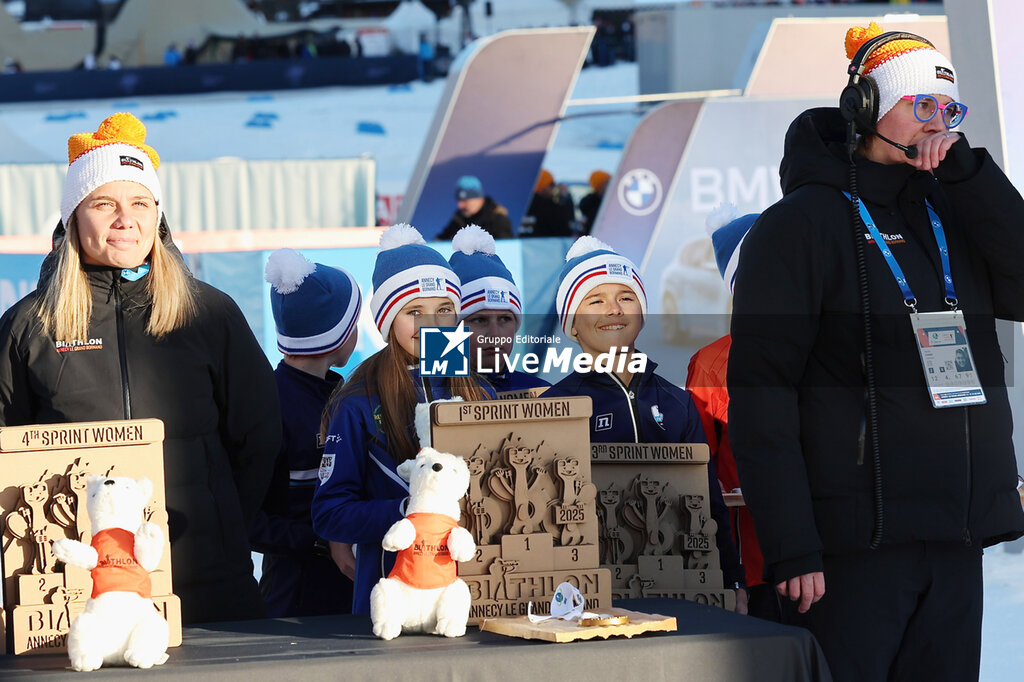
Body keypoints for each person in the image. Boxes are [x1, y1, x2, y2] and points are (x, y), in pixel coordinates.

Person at [728, 24, 1024, 681]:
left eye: (949, 110)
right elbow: (761, 397)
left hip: (953, 542)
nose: (939, 122)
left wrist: (972, 176)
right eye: (922, 105)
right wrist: (792, 546)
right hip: (846, 555)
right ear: (865, 106)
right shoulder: (798, 226)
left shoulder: (955, 212)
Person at [0, 112, 280, 624]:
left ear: (158, 216)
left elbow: (258, 436)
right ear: (72, 218)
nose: (125, 219)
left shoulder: (208, 313)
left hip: (210, 582)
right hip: (79, 594)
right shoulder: (29, 326)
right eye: (104, 203)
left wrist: (217, 528)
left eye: (140, 203)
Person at [544, 237, 747, 613]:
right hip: (595, 589)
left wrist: (732, 579)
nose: (613, 310)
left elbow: (709, 500)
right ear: (572, 325)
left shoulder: (677, 402)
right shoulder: (556, 406)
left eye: (626, 297)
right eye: (595, 300)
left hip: (681, 581)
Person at [311, 224, 495, 614]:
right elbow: (329, 515)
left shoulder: (482, 392)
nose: (433, 324)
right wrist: (407, 510)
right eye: (415, 312)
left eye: (445, 309)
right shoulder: (359, 402)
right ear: (388, 321)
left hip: (477, 595)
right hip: (395, 600)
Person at [249, 248, 362, 617]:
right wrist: (320, 540)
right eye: (354, 322)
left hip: (348, 588)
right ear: (336, 334)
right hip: (296, 600)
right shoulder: (270, 404)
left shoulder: (341, 394)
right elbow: (247, 517)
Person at [686, 204, 782, 621]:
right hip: (758, 568)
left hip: (836, 557)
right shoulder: (712, 363)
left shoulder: (837, 351)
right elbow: (698, 470)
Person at [447, 224, 550, 396]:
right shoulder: (430, 395)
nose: (494, 334)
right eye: (479, 320)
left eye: (504, 319)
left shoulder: (544, 393)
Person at [436, 175, 513, 241]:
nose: (460, 206)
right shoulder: (458, 219)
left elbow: (505, 249)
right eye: (459, 201)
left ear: (478, 199)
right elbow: (442, 239)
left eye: (465, 201)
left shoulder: (497, 220)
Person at [523, 169, 574, 238]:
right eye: (551, 184)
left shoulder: (518, 205)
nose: (554, 187)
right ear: (541, 185)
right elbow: (565, 232)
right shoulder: (551, 208)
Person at [578, 170, 610, 236]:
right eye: (607, 182)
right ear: (599, 185)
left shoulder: (611, 200)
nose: (611, 185)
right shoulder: (589, 203)